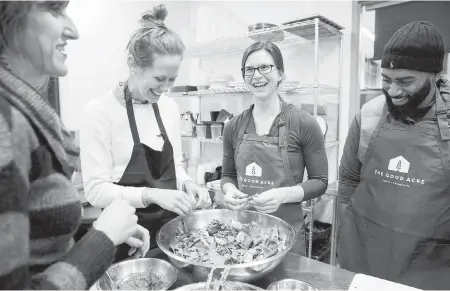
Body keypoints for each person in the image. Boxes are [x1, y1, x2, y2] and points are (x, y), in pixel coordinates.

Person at [0, 1, 150, 289]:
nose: (74, 30)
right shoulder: (6, 124)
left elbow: (36, 247)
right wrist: (102, 239)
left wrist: (101, 234)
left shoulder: (23, 115)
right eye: (55, 9)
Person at [80, 4, 211, 262]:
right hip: (124, 238)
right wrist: (151, 195)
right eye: (159, 78)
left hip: (172, 235)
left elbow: (175, 166)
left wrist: (187, 183)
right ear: (133, 65)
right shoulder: (99, 112)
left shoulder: (169, 108)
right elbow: (95, 191)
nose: (165, 88)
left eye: (172, 79)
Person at [337, 21, 450, 290]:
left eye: (406, 81)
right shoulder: (369, 116)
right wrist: (345, 240)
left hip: (429, 264)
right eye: (386, 80)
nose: (394, 92)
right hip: (363, 258)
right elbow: (348, 182)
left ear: (434, 75)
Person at [220, 41, 329, 255]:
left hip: (286, 237)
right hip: (243, 238)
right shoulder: (233, 126)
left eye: (265, 67)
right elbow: (228, 174)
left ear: (281, 73)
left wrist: (282, 195)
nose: (256, 76)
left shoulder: (304, 123)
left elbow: (320, 182)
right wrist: (229, 190)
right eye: (249, 70)